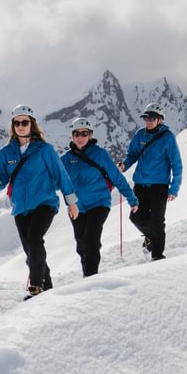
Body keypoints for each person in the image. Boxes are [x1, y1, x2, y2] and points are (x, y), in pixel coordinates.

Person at [0, 105, 78, 299]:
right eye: (16, 122)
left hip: (44, 203)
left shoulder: (44, 150)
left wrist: (71, 202)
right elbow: (0, 178)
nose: (20, 126)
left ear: (32, 124)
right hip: (20, 207)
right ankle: (48, 287)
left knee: (35, 241)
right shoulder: (6, 153)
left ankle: (36, 287)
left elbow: (61, 175)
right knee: (30, 250)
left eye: (24, 122)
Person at [60, 117, 139, 277]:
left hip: (99, 203)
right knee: (81, 244)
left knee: (90, 240)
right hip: (77, 207)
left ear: (90, 135)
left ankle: (91, 277)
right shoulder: (66, 159)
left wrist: (131, 198)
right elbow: (54, 179)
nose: (80, 137)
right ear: (72, 136)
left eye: (84, 133)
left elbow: (117, 178)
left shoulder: (100, 154)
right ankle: (87, 274)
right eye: (76, 133)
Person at [118, 102, 183, 261]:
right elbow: (132, 154)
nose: (148, 120)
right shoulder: (140, 135)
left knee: (157, 221)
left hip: (159, 186)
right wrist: (124, 165)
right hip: (140, 184)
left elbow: (177, 164)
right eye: (146, 117)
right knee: (135, 217)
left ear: (160, 119)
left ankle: (157, 256)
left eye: (152, 118)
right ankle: (150, 237)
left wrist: (174, 188)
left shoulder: (167, 137)